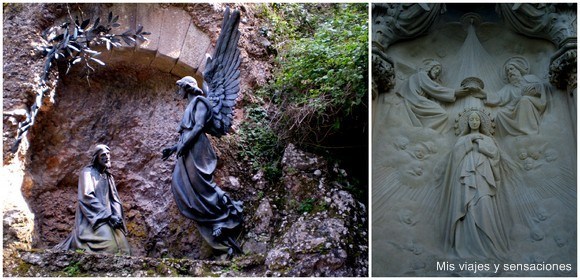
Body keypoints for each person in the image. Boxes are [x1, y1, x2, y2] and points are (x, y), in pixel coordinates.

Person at [162, 76, 243, 256]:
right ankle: (211, 221)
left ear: (187, 87)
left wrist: (183, 145)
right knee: (180, 186)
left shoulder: (200, 101)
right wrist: (173, 148)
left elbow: (198, 127)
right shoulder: (190, 105)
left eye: (179, 87)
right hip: (186, 148)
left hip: (196, 148)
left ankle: (225, 217)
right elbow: (188, 132)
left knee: (202, 186)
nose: (178, 91)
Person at [440, 110, 509, 259]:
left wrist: (480, 143)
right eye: (471, 119)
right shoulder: (462, 139)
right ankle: (466, 246)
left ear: (481, 122)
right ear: (467, 122)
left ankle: (489, 247)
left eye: (477, 119)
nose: (474, 121)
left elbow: (495, 154)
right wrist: (469, 142)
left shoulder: (487, 139)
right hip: (465, 177)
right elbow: (455, 156)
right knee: (467, 207)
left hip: (483, 175)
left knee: (484, 204)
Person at [54, 144, 131, 255]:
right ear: (96, 158)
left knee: (124, 249)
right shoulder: (87, 173)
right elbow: (87, 197)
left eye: (108, 154)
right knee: (110, 248)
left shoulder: (108, 176)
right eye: (103, 155)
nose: (107, 157)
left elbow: (114, 200)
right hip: (93, 221)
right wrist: (109, 216)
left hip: (110, 219)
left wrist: (117, 217)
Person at [393, 59, 472, 132]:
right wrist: (454, 92)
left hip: (416, 100)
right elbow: (434, 89)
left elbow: (433, 90)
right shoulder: (422, 75)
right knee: (442, 114)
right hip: (414, 100)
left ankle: (425, 130)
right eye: (436, 68)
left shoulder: (423, 77)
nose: (438, 72)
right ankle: (425, 131)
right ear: (430, 68)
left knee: (441, 113)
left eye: (439, 71)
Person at [485, 56, 547, 136]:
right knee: (500, 114)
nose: (509, 72)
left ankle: (531, 131)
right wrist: (481, 93)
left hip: (535, 103)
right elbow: (498, 97)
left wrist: (535, 87)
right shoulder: (509, 87)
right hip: (516, 108)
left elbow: (542, 87)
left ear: (518, 70)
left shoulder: (530, 78)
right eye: (507, 71)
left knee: (524, 100)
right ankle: (512, 135)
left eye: (512, 69)